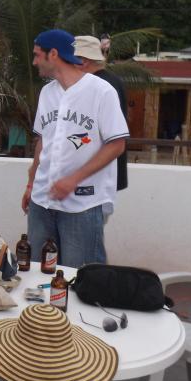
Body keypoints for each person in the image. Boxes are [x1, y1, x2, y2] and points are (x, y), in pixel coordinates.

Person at [21, 30, 129, 268]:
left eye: (37, 55)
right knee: (38, 272)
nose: (34, 62)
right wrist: (31, 183)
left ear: (53, 54)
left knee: (81, 275)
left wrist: (73, 180)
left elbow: (116, 144)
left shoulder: (102, 92)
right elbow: (43, 141)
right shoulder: (47, 93)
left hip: (83, 205)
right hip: (42, 202)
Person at [74, 35, 129, 200]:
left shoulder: (96, 86)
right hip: (107, 170)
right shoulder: (114, 81)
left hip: (98, 171)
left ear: (83, 61)